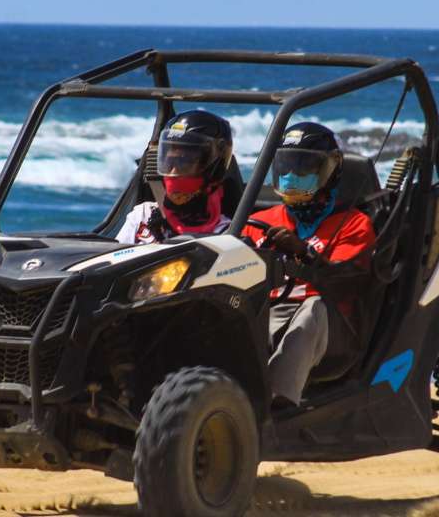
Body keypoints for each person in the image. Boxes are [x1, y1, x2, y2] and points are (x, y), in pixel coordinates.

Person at [243, 122, 375, 408]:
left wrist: (303, 252)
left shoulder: (354, 224)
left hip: (332, 328)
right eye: (287, 167)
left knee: (313, 308)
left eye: (304, 168)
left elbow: (345, 282)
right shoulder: (261, 221)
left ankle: (278, 403)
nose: (292, 176)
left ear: (329, 171)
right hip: (269, 311)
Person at [116, 110, 234, 244]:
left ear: (213, 170)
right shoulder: (143, 216)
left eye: (184, 163)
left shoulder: (228, 232)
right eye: (169, 163)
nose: (173, 172)